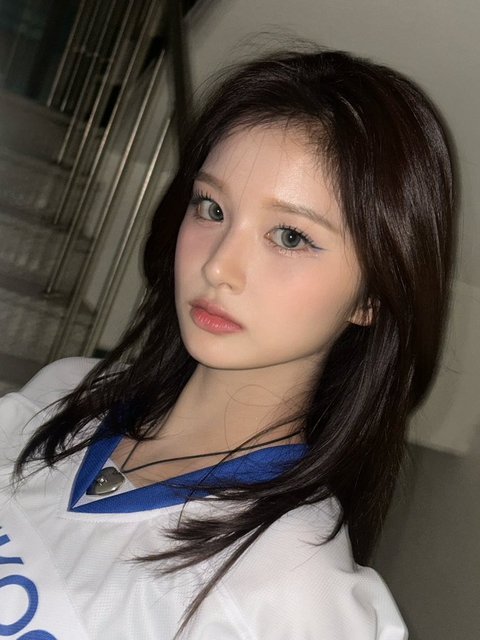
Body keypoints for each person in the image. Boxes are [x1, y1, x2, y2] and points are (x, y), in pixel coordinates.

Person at [0, 47, 454, 639]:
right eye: (211, 207)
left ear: (371, 297)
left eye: (290, 237)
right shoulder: (67, 393)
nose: (218, 266)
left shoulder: (289, 590)